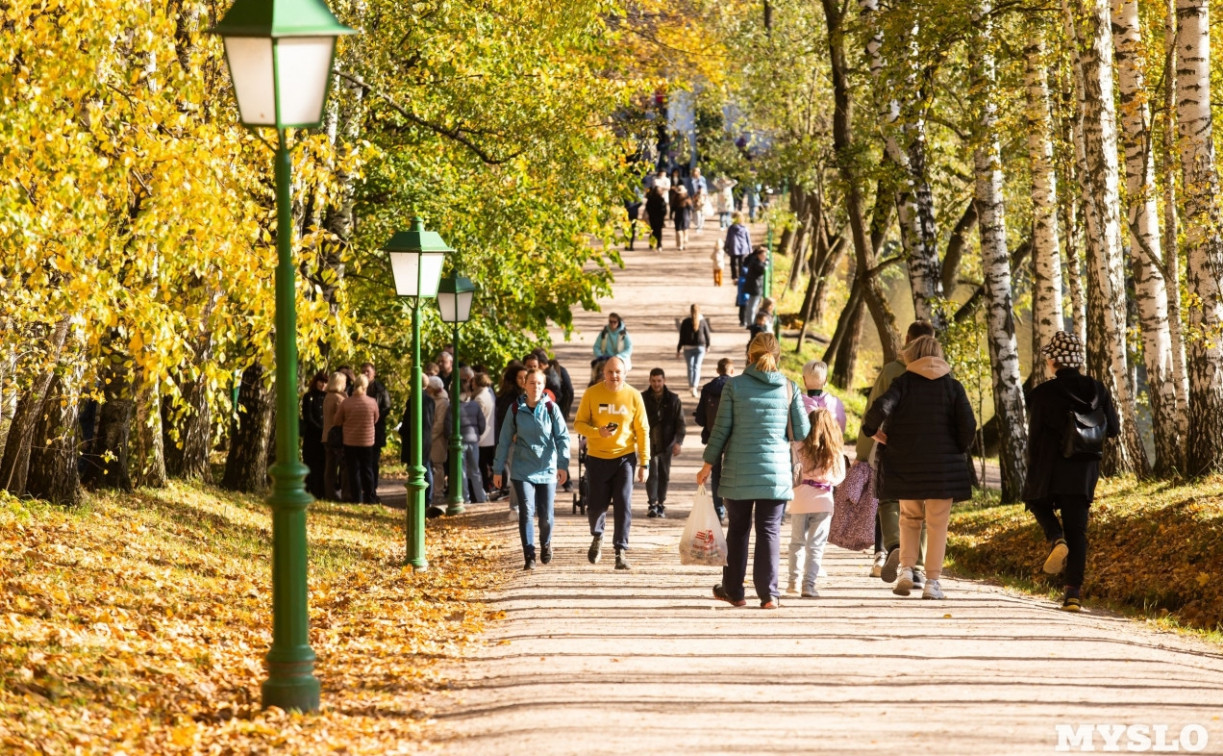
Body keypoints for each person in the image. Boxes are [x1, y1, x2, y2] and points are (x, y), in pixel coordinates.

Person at [697, 333, 810, 609]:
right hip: (775, 474)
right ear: (778, 356)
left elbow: (721, 430)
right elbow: (803, 431)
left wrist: (707, 465)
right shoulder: (789, 387)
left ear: (750, 356)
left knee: (737, 529)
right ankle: (769, 594)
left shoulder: (734, 387)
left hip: (738, 473)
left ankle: (734, 592)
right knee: (769, 530)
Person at [861, 335, 976, 601]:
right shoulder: (953, 388)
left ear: (912, 356)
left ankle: (906, 571)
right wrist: (956, 448)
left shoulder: (902, 384)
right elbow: (968, 427)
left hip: (906, 464)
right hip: (942, 470)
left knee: (909, 519)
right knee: (937, 525)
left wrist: (873, 433)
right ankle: (932, 582)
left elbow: (878, 408)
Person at [1022, 330, 1120, 611]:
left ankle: (1055, 537)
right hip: (1084, 471)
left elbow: (1034, 437)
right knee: (1079, 531)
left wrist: (1031, 471)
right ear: (1076, 360)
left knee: (1035, 502)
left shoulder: (1041, 394)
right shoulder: (1098, 390)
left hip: (1050, 470)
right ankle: (1073, 595)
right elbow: (1113, 429)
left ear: (1054, 361)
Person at [858, 320, 936, 580]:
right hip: (928, 450)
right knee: (921, 505)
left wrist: (865, 449)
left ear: (906, 340)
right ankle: (920, 567)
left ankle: (894, 546)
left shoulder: (893, 371)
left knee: (889, 498)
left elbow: (874, 409)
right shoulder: (943, 374)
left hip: (893, 445)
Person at [574, 356, 650, 571]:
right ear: (603, 373)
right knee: (597, 504)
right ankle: (597, 536)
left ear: (625, 373)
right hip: (597, 457)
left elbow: (643, 430)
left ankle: (620, 551)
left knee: (624, 503)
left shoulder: (634, 396)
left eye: (618, 372)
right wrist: (596, 432)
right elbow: (579, 424)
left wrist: (645, 462)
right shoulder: (592, 394)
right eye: (610, 372)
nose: (614, 376)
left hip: (624, 458)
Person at [493, 368, 571, 570]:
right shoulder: (515, 409)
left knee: (545, 516)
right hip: (522, 469)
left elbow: (563, 438)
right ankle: (529, 555)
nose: (535, 387)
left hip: (547, 468)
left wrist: (563, 465)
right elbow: (503, 441)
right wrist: (497, 468)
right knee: (527, 511)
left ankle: (546, 543)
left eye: (538, 383)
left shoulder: (551, 408)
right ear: (524, 385)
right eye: (531, 383)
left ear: (543, 386)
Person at [787, 407, 847, 598]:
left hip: (799, 499)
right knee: (815, 545)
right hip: (823, 501)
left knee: (796, 542)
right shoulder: (834, 451)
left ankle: (793, 582)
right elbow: (838, 478)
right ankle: (808, 585)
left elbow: (792, 470)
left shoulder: (798, 446)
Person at [695, 358, 735, 525]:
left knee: (715, 473)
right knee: (733, 474)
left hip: (714, 437)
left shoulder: (707, 389)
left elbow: (700, 418)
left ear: (718, 370)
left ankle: (719, 509)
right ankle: (731, 507)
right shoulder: (736, 387)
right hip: (733, 439)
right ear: (732, 371)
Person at [642, 368, 685, 519]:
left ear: (664, 381)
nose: (656, 384)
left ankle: (661, 503)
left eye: (659, 381)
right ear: (650, 381)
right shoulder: (643, 398)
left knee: (664, 474)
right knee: (651, 473)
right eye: (653, 381)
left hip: (667, 442)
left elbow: (680, 423)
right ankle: (652, 504)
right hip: (649, 442)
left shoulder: (673, 399)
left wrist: (678, 442)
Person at [332, 374, 381, 504]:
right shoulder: (372, 402)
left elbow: (337, 420)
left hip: (350, 441)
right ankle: (370, 498)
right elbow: (376, 419)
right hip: (367, 441)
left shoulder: (346, 403)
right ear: (366, 387)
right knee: (367, 470)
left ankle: (356, 498)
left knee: (353, 471)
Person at [444, 367, 488, 504]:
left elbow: (448, 426)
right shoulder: (474, 405)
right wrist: (476, 434)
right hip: (473, 440)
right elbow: (482, 424)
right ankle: (481, 497)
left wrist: (450, 438)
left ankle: (465, 498)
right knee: (475, 470)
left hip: (460, 442)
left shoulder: (453, 407)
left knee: (462, 471)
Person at [399, 371, 436, 507]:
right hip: (426, 436)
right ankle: (427, 498)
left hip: (416, 438)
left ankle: (422, 498)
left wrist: (402, 431)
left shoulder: (415, 398)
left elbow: (408, 421)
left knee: (421, 467)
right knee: (425, 466)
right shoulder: (430, 400)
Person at [493, 362, 527, 507]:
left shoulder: (523, 395)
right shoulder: (509, 397)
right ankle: (515, 506)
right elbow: (503, 419)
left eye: (526, 377)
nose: (524, 381)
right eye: (520, 378)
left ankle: (521, 505)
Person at [361, 362, 393, 503]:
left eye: (368, 371)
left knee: (373, 462)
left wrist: (375, 418)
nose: (365, 374)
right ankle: (365, 490)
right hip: (360, 431)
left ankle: (372, 490)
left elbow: (386, 406)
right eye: (363, 371)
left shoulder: (380, 389)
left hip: (376, 430)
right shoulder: (358, 387)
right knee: (363, 462)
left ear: (374, 373)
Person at [301, 370, 328, 499]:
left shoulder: (328, 397)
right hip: (312, 436)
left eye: (325, 382)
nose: (323, 385)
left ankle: (321, 491)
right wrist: (320, 429)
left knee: (322, 465)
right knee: (310, 464)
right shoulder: (309, 397)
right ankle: (309, 489)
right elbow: (308, 417)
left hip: (324, 437)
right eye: (321, 381)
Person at [321, 371, 348, 501]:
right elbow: (344, 417)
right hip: (338, 437)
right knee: (343, 467)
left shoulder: (327, 397)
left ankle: (329, 493)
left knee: (329, 467)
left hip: (327, 436)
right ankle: (343, 494)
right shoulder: (339, 399)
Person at [676, 304, 713, 397]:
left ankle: (692, 386)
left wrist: (678, 349)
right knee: (696, 367)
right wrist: (708, 345)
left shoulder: (686, 321)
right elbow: (707, 334)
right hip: (699, 347)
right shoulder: (702, 321)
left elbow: (681, 337)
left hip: (689, 348)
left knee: (691, 367)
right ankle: (694, 387)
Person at [800, 360, 846, 433]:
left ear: (804, 380)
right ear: (825, 380)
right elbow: (841, 429)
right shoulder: (836, 404)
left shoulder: (796, 404)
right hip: (830, 443)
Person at [428, 374, 450, 517]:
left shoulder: (442, 401)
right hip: (432, 437)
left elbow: (440, 423)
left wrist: (429, 437)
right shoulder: (434, 399)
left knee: (438, 466)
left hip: (438, 439)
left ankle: (438, 491)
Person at [475, 371, 498, 497]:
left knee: (482, 466)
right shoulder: (490, 393)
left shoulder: (479, 398)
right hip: (490, 435)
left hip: (482, 437)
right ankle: (491, 486)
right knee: (489, 463)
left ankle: (486, 487)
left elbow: (479, 418)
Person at [742, 246, 768, 327]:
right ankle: (751, 324)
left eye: (765, 256)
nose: (765, 257)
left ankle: (749, 322)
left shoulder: (755, 260)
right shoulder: (757, 263)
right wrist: (766, 263)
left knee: (751, 305)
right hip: (756, 287)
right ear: (759, 255)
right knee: (752, 306)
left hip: (754, 286)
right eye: (763, 256)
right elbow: (763, 268)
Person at [723, 211, 752, 282]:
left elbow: (728, 239)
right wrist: (750, 250)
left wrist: (726, 247)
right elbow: (748, 239)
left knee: (733, 263)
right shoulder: (745, 228)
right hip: (743, 248)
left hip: (734, 247)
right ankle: (741, 277)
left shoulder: (731, 228)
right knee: (742, 263)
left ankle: (734, 277)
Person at [645, 185, 668, 250]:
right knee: (658, 231)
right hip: (659, 217)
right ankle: (659, 244)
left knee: (652, 231)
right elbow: (664, 210)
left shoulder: (650, 199)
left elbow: (647, 208)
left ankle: (652, 244)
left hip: (652, 217)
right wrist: (663, 215)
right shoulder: (661, 199)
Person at [670, 183, 692, 250]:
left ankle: (680, 245)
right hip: (686, 217)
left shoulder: (675, 199)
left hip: (678, 217)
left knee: (678, 231)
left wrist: (670, 216)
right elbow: (691, 208)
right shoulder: (687, 199)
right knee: (685, 231)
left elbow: (672, 209)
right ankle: (685, 244)